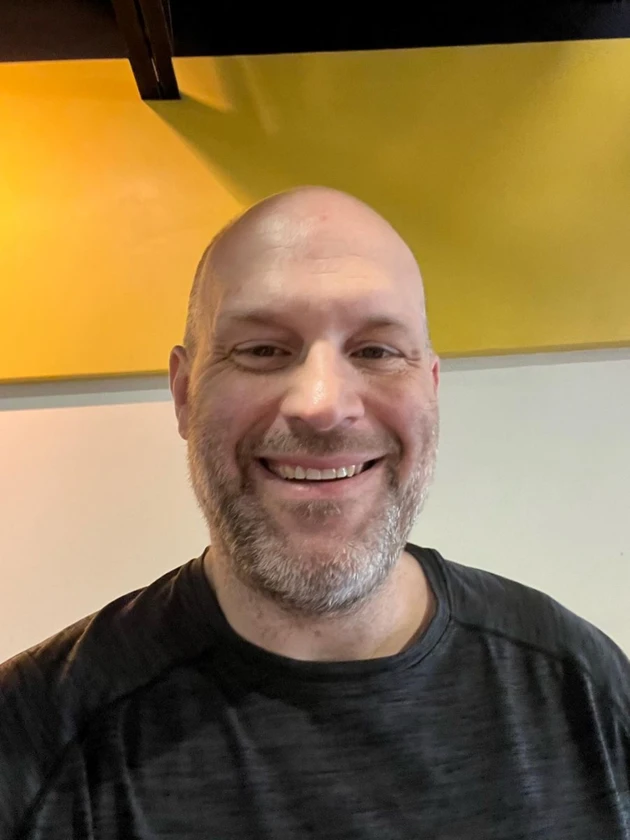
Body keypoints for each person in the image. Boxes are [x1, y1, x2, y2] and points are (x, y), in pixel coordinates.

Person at [1, 186, 628, 839]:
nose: (323, 405)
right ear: (185, 394)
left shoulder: (582, 691)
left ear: (431, 389)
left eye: (376, 351)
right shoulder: (32, 740)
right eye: (263, 350)